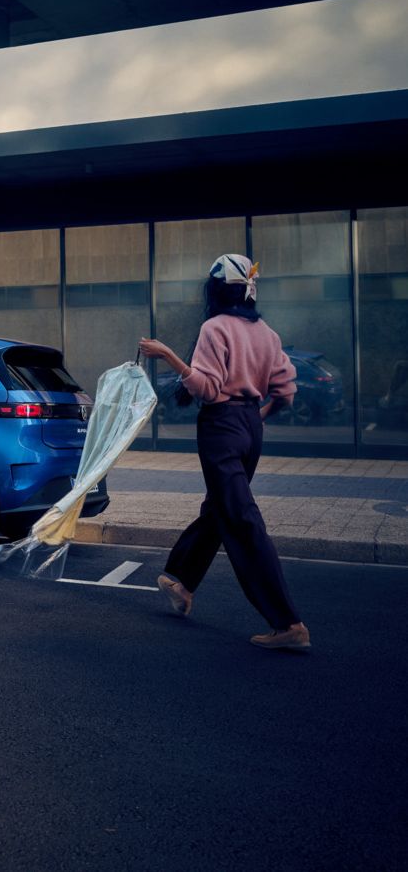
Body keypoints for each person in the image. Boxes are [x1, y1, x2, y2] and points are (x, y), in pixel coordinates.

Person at [138, 253, 310, 652]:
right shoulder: (266, 332)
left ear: (215, 289)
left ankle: (289, 622)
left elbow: (209, 390)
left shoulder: (215, 328)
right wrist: (259, 416)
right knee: (222, 506)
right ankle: (181, 581)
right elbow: (286, 390)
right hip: (249, 428)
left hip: (220, 427)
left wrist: (166, 356)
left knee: (242, 518)